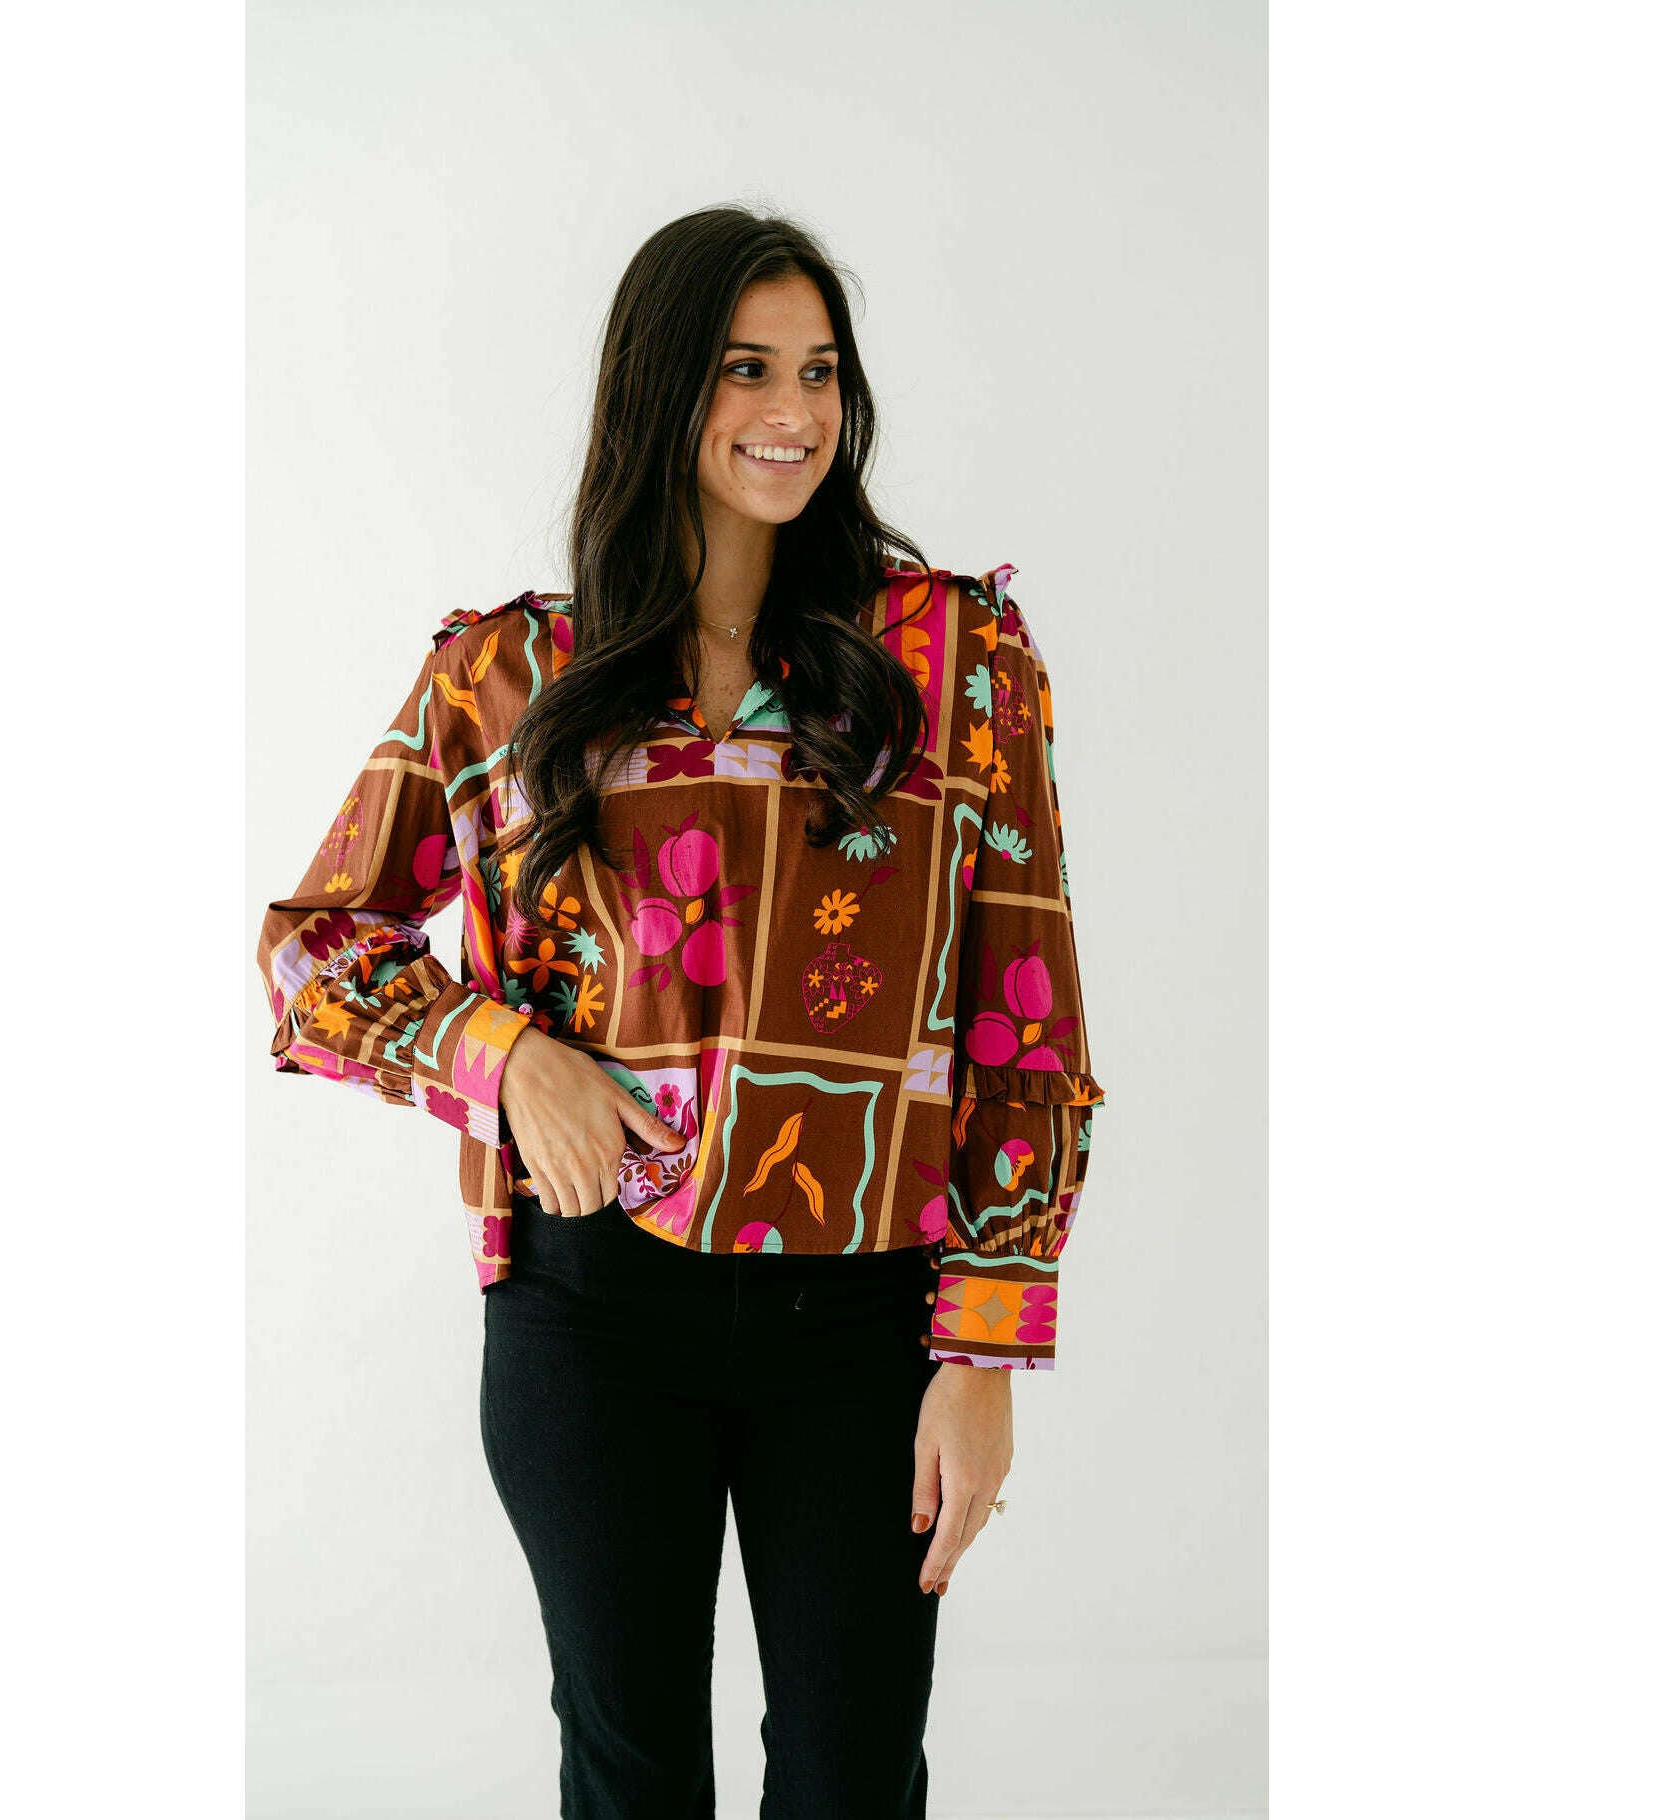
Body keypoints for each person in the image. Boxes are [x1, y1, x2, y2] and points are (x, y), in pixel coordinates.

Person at [256, 205, 1106, 1820]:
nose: (793, 411)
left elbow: (1027, 1013)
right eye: (744, 368)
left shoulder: (954, 661)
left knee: (856, 1782)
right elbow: (316, 949)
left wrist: (987, 1347)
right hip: (590, 1317)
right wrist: (505, 1061)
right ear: (660, 388)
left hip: (865, 1322)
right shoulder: (507, 675)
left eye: (820, 371)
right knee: (629, 1779)